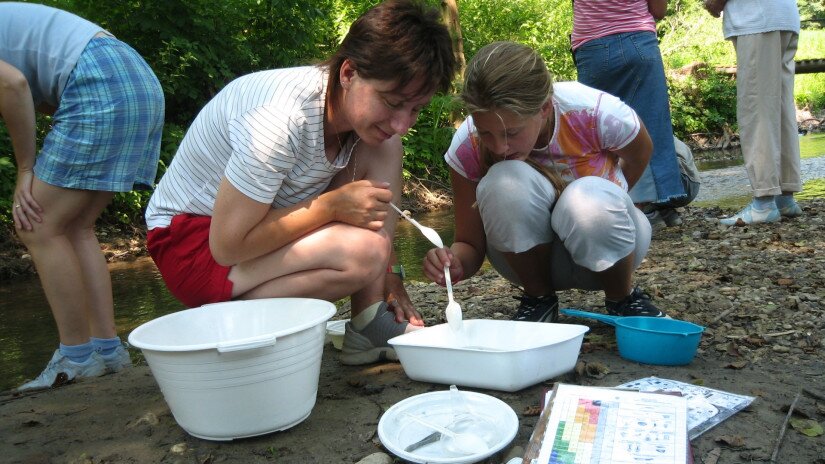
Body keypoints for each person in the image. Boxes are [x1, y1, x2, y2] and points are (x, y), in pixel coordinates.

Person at [144, 0, 455, 365]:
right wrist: (332, 206)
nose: (403, 122)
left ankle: (370, 322)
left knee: (386, 147)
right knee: (363, 251)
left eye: (415, 109)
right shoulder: (278, 120)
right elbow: (227, 246)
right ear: (348, 73)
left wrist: (390, 277)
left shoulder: (352, 120)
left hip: (250, 237)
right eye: (392, 102)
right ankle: (221, 326)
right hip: (192, 243)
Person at [422, 41, 668, 323]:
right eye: (486, 133)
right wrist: (452, 263)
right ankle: (538, 299)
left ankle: (622, 297)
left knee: (588, 199)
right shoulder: (468, 144)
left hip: (612, 248)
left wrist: (613, 200)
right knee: (504, 181)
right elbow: (469, 244)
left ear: (544, 108)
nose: (499, 147)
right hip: (529, 263)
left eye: (511, 132)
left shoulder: (594, 113)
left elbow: (640, 153)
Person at [0, 3, 165, 390]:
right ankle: (108, 351)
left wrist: (26, 169)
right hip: (135, 78)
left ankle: (75, 357)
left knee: (37, 225)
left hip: (100, 81)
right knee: (75, 227)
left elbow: (13, 85)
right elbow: (36, 92)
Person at [571, 0, 687, 231]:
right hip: (638, 40)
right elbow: (659, 10)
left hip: (591, 46)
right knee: (652, 125)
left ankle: (606, 204)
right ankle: (660, 204)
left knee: (598, 132)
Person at [703, 0, 803, 225]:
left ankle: (764, 203)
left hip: (757, 18)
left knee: (756, 109)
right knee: (781, 107)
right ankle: (784, 197)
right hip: (784, 15)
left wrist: (715, 3)